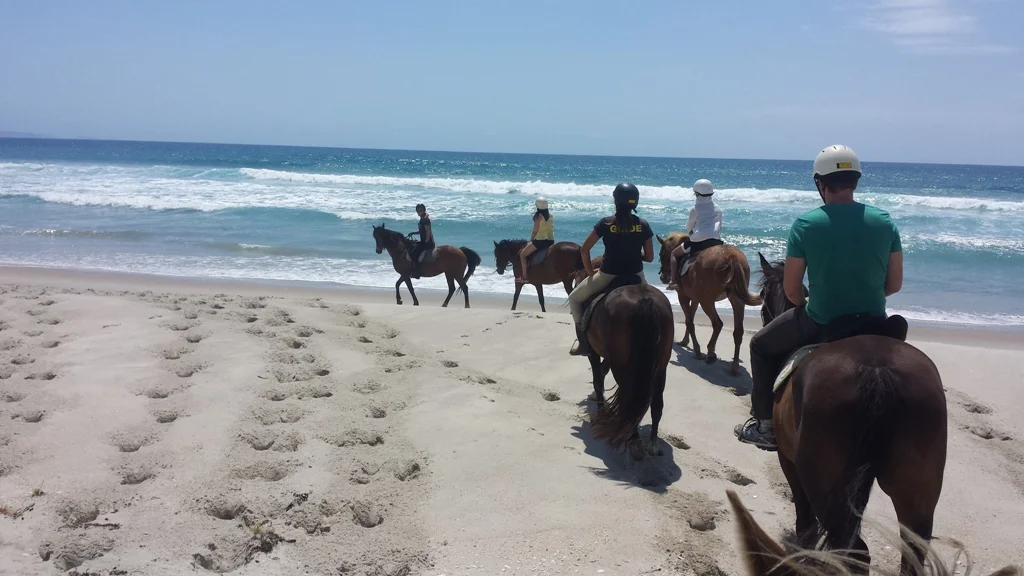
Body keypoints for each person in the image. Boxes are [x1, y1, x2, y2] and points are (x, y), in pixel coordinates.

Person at [734, 145, 904, 450]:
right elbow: (894, 284)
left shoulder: (806, 224)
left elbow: (791, 291)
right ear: (856, 181)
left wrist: (808, 305)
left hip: (822, 319)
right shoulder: (884, 221)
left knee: (760, 345)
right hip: (875, 320)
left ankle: (765, 426)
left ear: (820, 183)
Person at [567, 182, 655, 356]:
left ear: (616, 201)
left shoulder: (605, 223)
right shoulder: (643, 224)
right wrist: (634, 253)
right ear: (635, 202)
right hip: (636, 276)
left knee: (574, 299)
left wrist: (590, 273)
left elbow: (584, 250)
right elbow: (650, 257)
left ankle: (584, 343)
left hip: (607, 275)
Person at [667, 178, 724, 290]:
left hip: (697, 241)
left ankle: (673, 281)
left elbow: (689, 226)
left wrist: (691, 233)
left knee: (674, 254)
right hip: (715, 240)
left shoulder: (695, 208)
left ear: (697, 194)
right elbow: (720, 226)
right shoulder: (718, 209)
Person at [518, 197, 555, 283]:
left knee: (522, 255)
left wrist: (530, 241)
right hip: (550, 241)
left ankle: (525, 276)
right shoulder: (551, 216)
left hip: (540, 241)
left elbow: (535, 231)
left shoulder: (538, 216)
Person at [406, 203, 434, 279]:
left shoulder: (425, 219)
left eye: (420, 210)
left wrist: (426, 241)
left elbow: (428, 231)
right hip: (424, 242)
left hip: (428, 243)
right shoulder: (422, 219)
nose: (419, 212)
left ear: (424, 210)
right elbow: (422, 231)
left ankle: (417, 272)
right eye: (417, 211)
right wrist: (413, 233)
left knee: (414, 253)